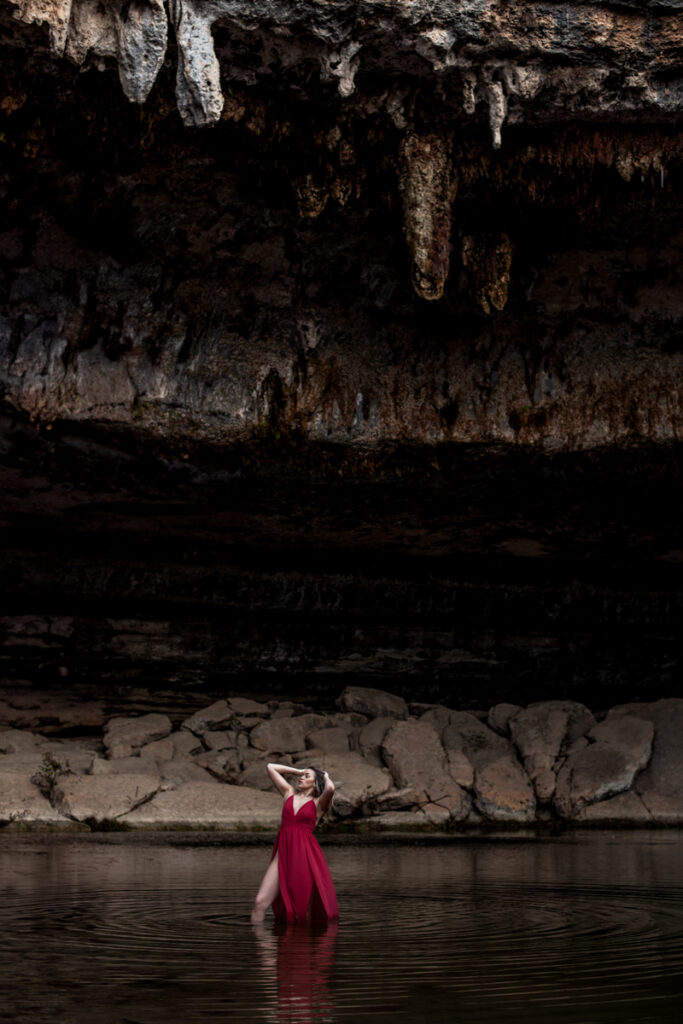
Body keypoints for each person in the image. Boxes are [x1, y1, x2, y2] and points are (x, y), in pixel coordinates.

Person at [250, 763, 339, 923]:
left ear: (316, 782)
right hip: (282, 855)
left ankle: (302, 945)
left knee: (304, 911)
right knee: (259, 903)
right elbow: (271, 767)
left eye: (307, 776)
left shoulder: (318, 803)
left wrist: (325, 776)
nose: (301, 778)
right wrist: (299, 770)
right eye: (302, 775)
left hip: (304, 857)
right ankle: (263, 948)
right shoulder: (288, 793)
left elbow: (330, 789)